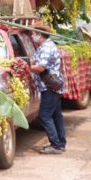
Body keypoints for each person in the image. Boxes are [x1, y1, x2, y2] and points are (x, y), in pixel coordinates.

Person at [28, 21, 67, 154]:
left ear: (39, 34)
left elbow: (40, 67)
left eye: (33, 34)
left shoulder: (47, 48)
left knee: (44, 116)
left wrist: (26, 67)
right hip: (52, 86)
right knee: (56, 115)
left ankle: (55, 145)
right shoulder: (43, 47)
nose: (32, 36)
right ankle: (60, 144)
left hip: (50, 87)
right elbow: (33, 60)